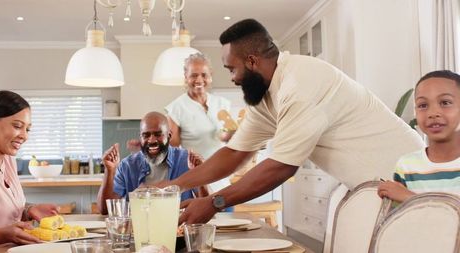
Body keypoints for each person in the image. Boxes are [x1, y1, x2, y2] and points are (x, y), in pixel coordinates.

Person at [152, 18, 425, 225]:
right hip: (374, 187)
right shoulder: (266, 96)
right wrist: (176, 185)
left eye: (232, 69)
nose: (232, 78)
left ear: (252, 61)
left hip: (412, 179)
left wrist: (215, 202)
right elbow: (235, 152)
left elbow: (281, 167)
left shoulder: (301, 84)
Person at [0, 90, 59, 249]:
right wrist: (5, 234)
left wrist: (29, 210)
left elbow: (2, 212)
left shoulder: (8, 160)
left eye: (27, 129)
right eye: (17, 126)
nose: (24, 136)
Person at [96, 111, 207, 215]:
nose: (152, 140)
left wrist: (201, 175)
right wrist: (109, 170)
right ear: (141, 137)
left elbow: (205, 205)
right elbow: (105, 210)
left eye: (158, 134)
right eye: (146, 135)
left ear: (169, 136)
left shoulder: (186, 161)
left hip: (177, 228)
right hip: (139, 228)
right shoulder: (127, 166)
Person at [378, 70, 460, 202]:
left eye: (445, 102)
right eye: (423, 105)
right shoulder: (406, 166)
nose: (433, 113)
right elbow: (401, 218)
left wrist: (411, 198)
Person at [165, 53, 234, 194]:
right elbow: (172, 151)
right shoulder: (176, 108)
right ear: (186, 78)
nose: (199, 80)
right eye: (193, 75)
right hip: (194, 181)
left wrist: (233, 134)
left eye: (204, 75)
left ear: (210, 76)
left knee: (226, 215)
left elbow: (229, 138)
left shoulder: (223, 104)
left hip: (222, 179)